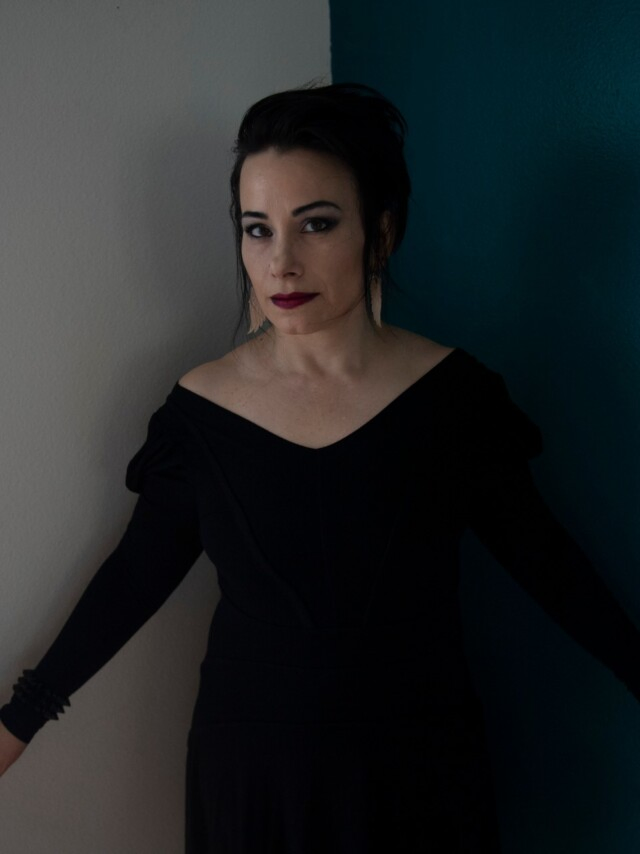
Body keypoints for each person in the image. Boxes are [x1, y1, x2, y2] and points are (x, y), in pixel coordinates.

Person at [1, 82, 639, 853]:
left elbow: (547, 563)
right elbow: (135, 576)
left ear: (382, 230)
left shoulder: (455, 400)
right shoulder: (200, 413)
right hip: (253, 781)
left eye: (318, 224)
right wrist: (18, 722)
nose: (282, 263)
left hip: (424, 774)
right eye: (257, 230)